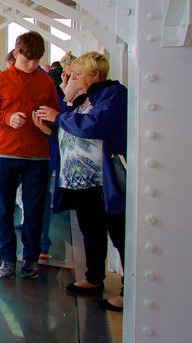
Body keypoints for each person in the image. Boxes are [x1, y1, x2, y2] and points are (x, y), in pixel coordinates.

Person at [36, 51, 128, 312]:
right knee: (92, 230)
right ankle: (93, 277)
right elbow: (75, 133)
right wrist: (52, 125)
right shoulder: (89, 99)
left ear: (95, 75)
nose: (72, 79)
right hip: (84, 182)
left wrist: (58, 116)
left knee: (119, 235)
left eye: (77, 75)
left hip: (103, 181)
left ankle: (129, 289)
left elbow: (93, 126)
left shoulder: (113, 95)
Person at [0, 31, 60, 279]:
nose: (32, 66)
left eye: (36, 61)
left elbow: (55, 112)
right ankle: (7, 259)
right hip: (7, 153)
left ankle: (31, 259)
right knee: (3, 208)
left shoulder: (45, 82)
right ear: (16, 54)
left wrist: (47, 123)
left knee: (35, 209)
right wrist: (7, 118)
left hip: (38, 155)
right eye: (27, 61)